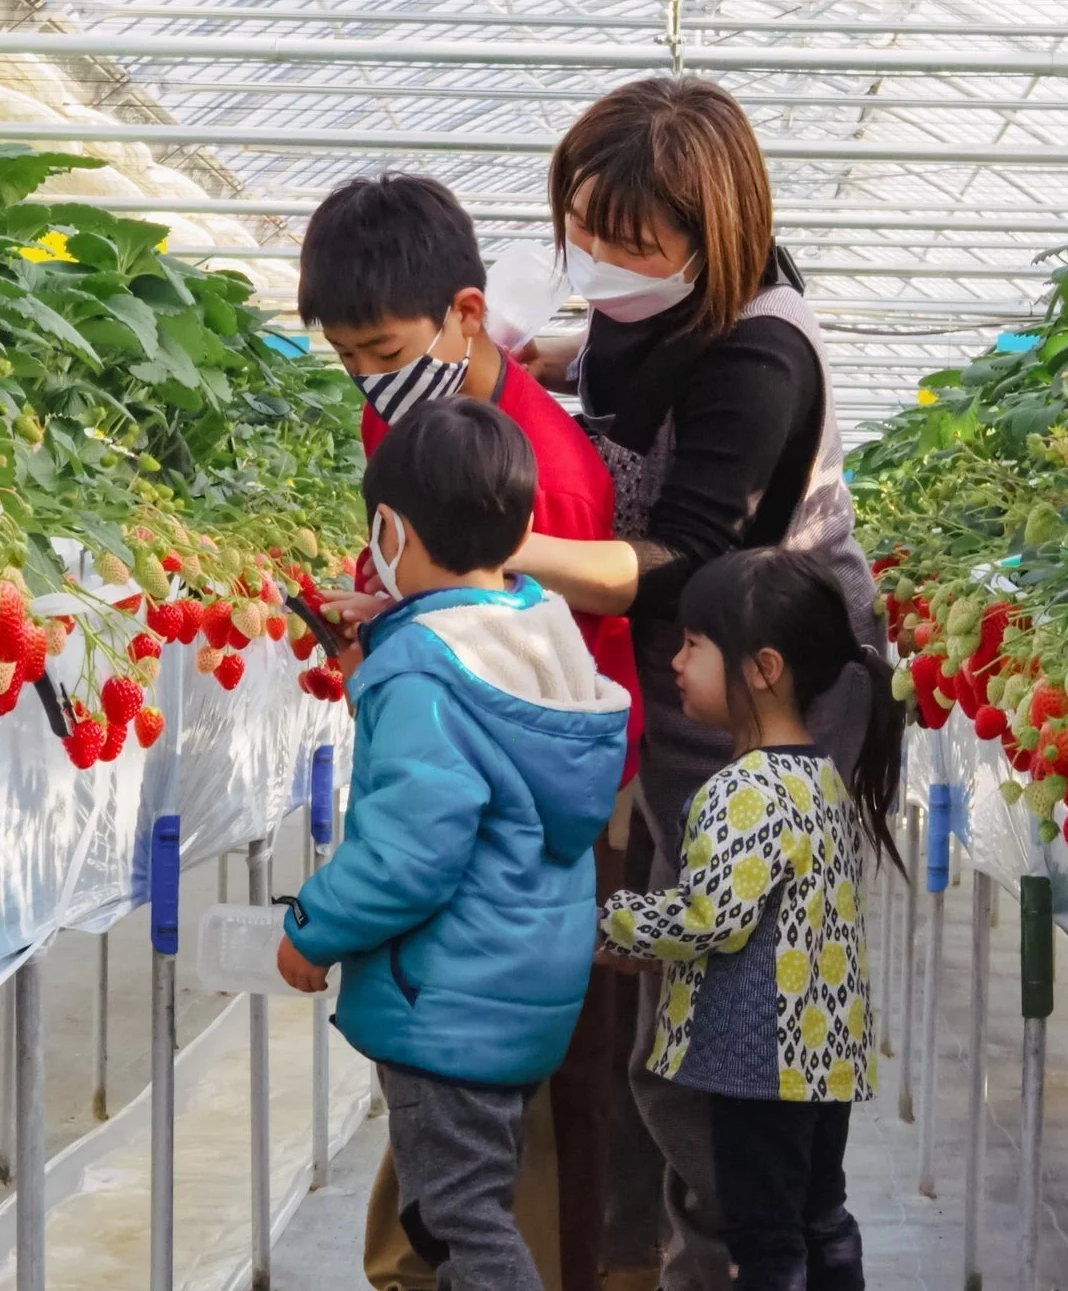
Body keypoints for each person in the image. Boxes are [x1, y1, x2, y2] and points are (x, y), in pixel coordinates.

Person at [509, 78, 883, 1291]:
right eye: (584, 226)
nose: (604, 260)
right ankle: (727, 1245)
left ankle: (735, 1253)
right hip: (702, 673)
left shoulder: (762, 357)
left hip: (776, 691)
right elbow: (624, 351)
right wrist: (546, 359)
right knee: (704, 1035)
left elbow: (672, 559)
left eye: (636, 242)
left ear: (711, 238)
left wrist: (492, 539)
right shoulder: (654, 303)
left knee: (725, 1041)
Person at [299, 172, 643, 1291]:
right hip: (486, 760)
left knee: (512, 1126)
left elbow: (538, 652)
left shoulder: (554, 473)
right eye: (348, 357)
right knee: (462, 1110)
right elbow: (470, 600)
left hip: (536, 798)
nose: (368, 381)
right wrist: (392, 610)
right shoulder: (405, 414)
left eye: (384, 351)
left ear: (463, 313)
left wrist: (316, 926)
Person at [597, 548, 903, 1291]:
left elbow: (712, 917)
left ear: (763, 667)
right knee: (820, 1215)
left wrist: (616, 924)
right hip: (823, 1051)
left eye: (695, 643)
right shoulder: (821, 776)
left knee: (765, 1241)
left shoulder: (743, 790)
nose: (675, 659)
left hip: (763, 1062)